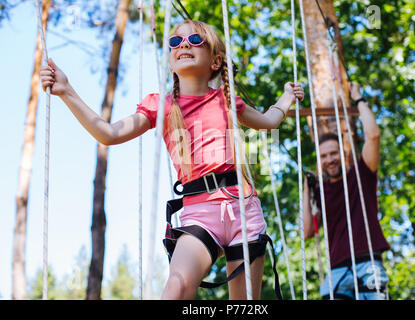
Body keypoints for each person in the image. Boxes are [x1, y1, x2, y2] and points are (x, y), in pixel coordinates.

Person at [40, 19, 304, 300]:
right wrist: (67, 92)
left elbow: (268, 121)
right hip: (200, 213)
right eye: (176, 42)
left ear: (215, 62)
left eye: (195, 40)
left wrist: (287, 98)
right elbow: (108, 133)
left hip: (243, 209)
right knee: (176, 289)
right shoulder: (161, 106)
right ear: (171, 59)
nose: (184, 45)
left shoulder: (227, 100)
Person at [301, 82, 390, 300]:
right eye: (323, 156)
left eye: (333, 154)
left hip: (368, 263)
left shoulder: (362, 174)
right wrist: (307, 189)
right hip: (337, 270)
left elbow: (374, 136)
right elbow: (307, 232)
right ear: (319, 161)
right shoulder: (319, 191)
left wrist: (358, 98)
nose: (329, 160)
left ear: (342, 153)